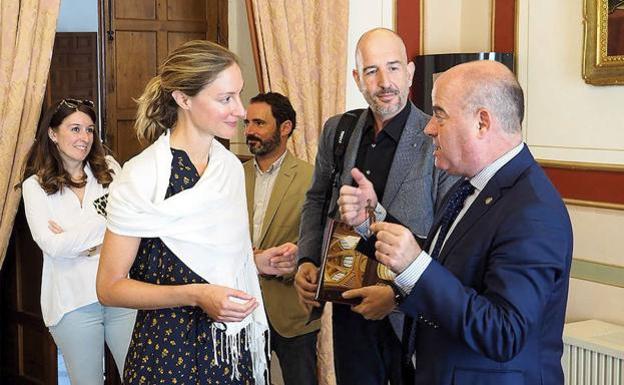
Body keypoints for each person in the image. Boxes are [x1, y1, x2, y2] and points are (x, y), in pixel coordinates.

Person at [362, 60, 573, 384]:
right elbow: (452, 274)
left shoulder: (533, 210)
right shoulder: (467, 187)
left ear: (482, 123)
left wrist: (415, 266)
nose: (429, 127)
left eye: (440, 114)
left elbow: (504, 332)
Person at [95, 40, 268, 385]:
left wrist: (259, 261)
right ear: (183, 98)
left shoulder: (231, 169)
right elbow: (109, 287)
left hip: (230, 350)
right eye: (225, 99)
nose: (240, 110)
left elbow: (218, 256)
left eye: (238, 95)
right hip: (165, 353)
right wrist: (194, 294)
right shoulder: (142, 175)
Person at [294, 28, 457, 385]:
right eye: (371, 71)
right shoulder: (338, 131)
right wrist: (307, 259)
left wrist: (397, 296)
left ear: (411, 73)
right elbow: (317, 200)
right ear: (357, 78)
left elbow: (451, 233)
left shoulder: (438, 137)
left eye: (394, 68)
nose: (385, 82)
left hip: (410, 311)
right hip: (349, 302)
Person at [20, 98, 136, 385]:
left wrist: (77, 239)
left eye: (89, 129)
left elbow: (132, 222)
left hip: (121, 292)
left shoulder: (108, 169)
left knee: (140, 377)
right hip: (72, 303)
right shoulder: (34, 186)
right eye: (75, 129)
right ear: (53, 133)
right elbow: (53, 246)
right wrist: (107, 231)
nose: (84, 138)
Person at [242, 92, 320, 385]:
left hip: (293, 313)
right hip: (243, 312)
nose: (249, 131)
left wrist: (300, 256)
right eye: (247, 123)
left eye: (259, 123)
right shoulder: (231, 177)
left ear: (285, 127)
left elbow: (325, 239)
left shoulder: (312, 178)